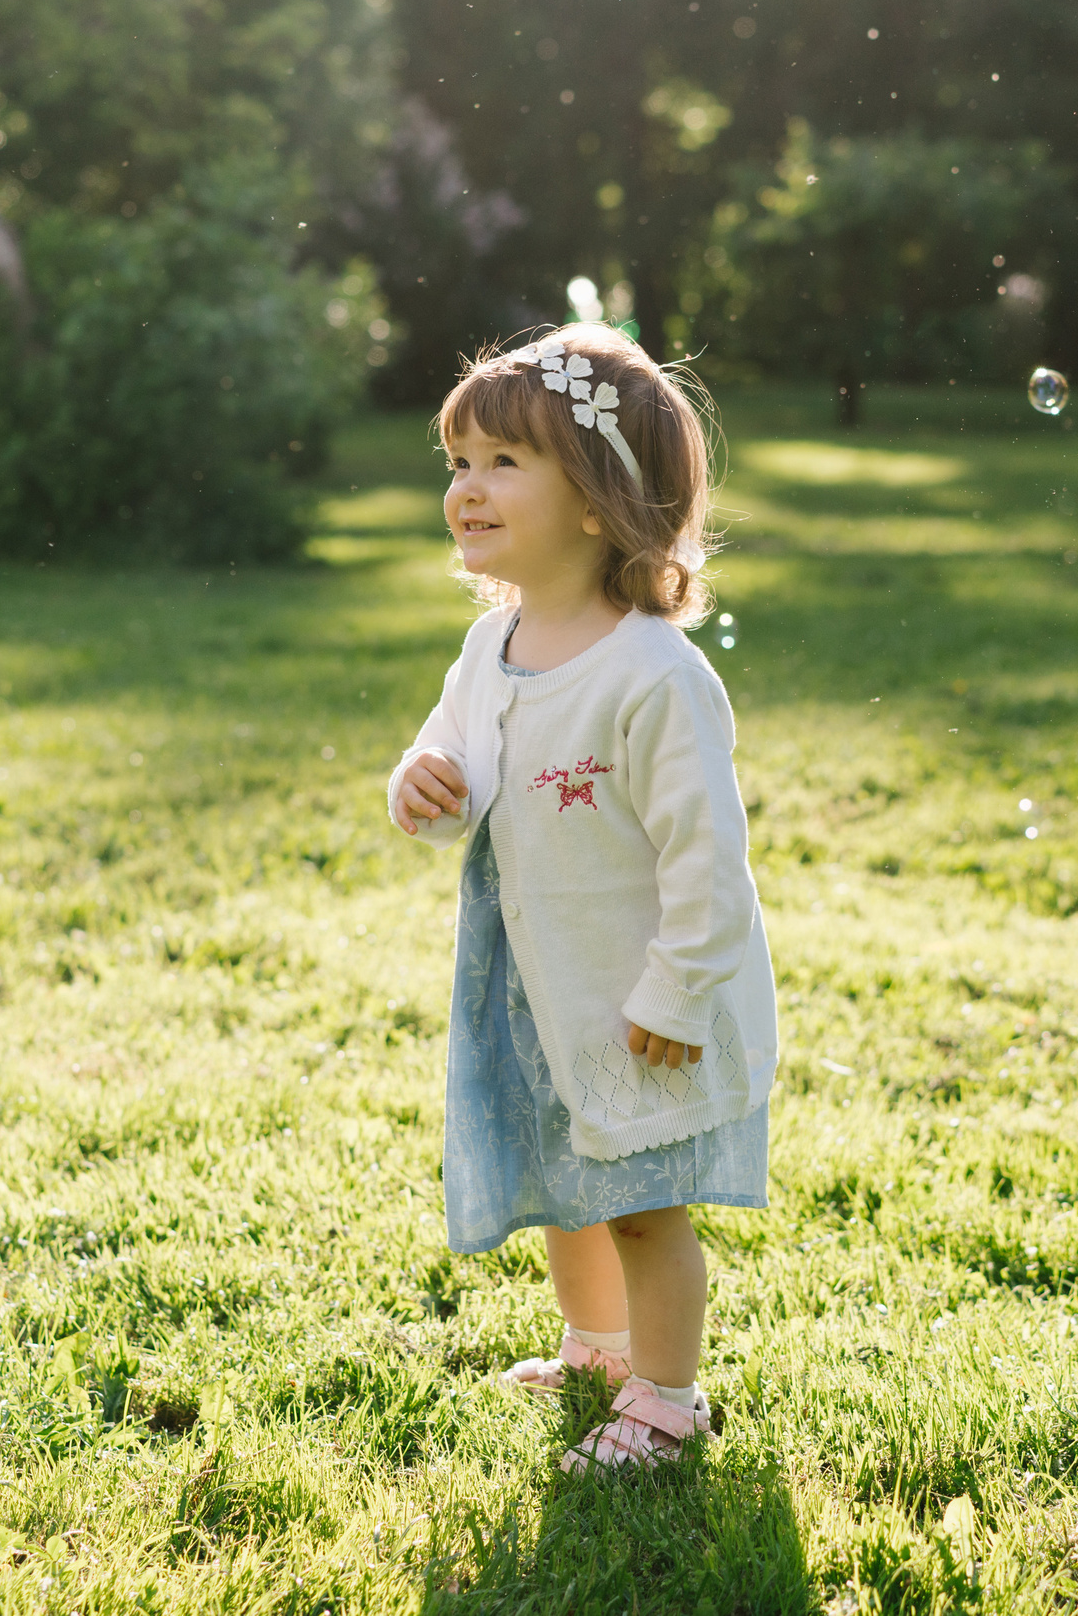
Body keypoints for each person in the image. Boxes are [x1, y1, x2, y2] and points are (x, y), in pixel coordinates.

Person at [387, 322, 777, 1472]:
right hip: (539, 982)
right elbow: (458, 762)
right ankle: (598, 1351)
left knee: (642, 1203)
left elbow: (708, 858)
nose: (467, 487)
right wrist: (423, 781)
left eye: (504, 462)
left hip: (637, 993)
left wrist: (676, 991)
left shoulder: (652, 674)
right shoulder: (490, 644)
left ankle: (667, 1400)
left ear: (602, 502)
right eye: (459, 461)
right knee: (566, 1185)